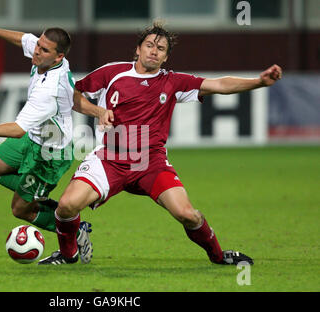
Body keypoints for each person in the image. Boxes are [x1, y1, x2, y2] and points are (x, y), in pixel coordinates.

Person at [38, 21, 282, 265]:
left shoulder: (173, 82)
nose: (154, 51)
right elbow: (73, 95)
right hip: (110, 158)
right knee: (67, 206)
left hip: (150, 163)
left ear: (166, 57)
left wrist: (258, 82)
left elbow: (218, 84)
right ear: (138, 49)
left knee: (187, 215)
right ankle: (68, 254)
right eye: (149, 45)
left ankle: (219, 256)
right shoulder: (112, 72)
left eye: (161, 48)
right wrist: (98, 111)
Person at [0, 11, 107, 264]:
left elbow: (17, 128)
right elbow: (24, 39)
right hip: (33, 139)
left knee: (19, 209)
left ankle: (73, 228)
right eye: (39, 45)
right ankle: (44, 201)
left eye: (44, 50)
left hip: (49, 154)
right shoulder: (49, 57)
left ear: (59, 56)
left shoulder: (48, 92)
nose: (36, 51)